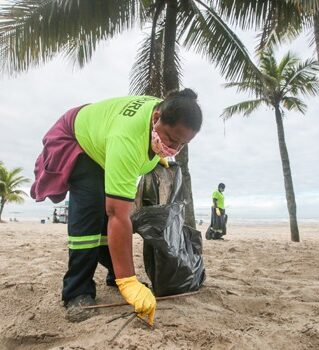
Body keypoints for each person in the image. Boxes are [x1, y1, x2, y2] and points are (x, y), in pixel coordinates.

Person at [30, 89, 203, 323]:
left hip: (105, 137)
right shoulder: (127, 139)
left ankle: (115, 273)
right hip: (78, 140)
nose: (173, 148)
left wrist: (156, 154)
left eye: (183, 144)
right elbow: (117, 215)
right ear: (156, 118)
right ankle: (77, 290)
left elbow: (116, 215)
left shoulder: (165, 111)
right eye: (171, 139)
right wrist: (129, 280)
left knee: (107, 218)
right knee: (91, 217)